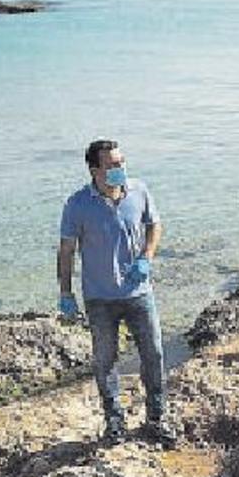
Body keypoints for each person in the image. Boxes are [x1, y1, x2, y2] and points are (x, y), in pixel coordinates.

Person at [57, 139, 175, 446]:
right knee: (105, 361)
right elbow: (67, 250)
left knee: (154, 354)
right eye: (111, 165)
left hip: (139, 293)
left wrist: (147, 257)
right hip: (99, 299)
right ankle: (114, 422)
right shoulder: (77, 204)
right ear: (94, 170)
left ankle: (157, 418)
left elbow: (155, 224)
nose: (119, 169)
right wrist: (66, 294)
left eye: (121, 162)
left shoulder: (139, 191)